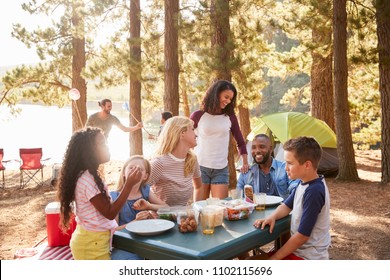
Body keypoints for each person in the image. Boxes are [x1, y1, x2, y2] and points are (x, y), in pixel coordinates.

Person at [57, 127, 143, 260]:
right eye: (102, 144)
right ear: (89, 151)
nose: (107, 146)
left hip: (94, 240)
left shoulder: (88, 176)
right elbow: (110, 213)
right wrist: (129, 185)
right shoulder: (88, 179)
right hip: (91, 245)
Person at [253, 136, 331, 260]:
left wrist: (274, 258)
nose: (285, 168)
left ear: (307, 165)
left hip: (308, 257)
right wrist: (272, 217)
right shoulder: (304, 183)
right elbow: (286, 206)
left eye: (289, 163)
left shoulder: (314, 191)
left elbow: (302, 236)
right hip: (299, 252)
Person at [190, 80, 249, 200]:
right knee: (200, 210)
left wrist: (245, 162)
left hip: (221, 169)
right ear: (216, 94)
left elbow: (240, 140)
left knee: (221, 209)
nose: (228, 101)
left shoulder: (230, 117)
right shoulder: (198, 115)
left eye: (230, 99)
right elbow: (185, 137)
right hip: (200, 168)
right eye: (226, 97)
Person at [110, 155, 168, 260]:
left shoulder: (145, 191)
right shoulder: (114, 197)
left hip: (147, 241)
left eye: (140, 169)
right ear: (123, 172)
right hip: (125, 245)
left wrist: (150, 206)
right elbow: (113, 231)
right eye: (131, 168)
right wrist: (135, 222)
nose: (135, 171)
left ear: (145, 176)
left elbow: (167, 208)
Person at [147, 116, 203, 206]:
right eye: (192, 130)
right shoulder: (159, 163)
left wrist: (196, 210)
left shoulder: (192, 160)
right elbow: (141, 190)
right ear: (182, 133)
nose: (196, 134)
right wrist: (164, 207)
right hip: (160, 219)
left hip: (184, 218)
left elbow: (199, 187)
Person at [236, 134, 299, 200]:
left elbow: (295, 189)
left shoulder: (284, 169)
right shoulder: (246, 172)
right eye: (254, 147)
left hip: (282, 208)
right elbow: (238, 198)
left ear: (270, 149)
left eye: (262, 147)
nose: (257, 151)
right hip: (258, 209)